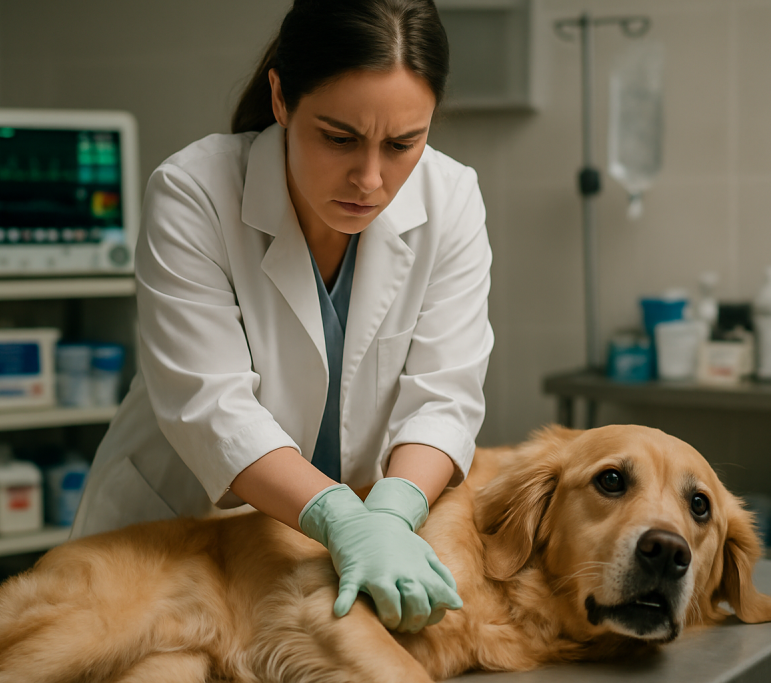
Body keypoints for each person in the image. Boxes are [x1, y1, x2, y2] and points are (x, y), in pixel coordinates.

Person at [71, 0, 493, 634]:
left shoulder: (451, 197)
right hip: (174, 531)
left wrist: (392, 512)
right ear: (280, 98)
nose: (371, 179)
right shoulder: (195, 191)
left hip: (330, 550)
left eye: (404, 143)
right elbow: (212, 405)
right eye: (339, 138)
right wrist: (340, 518)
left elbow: (445, 394)